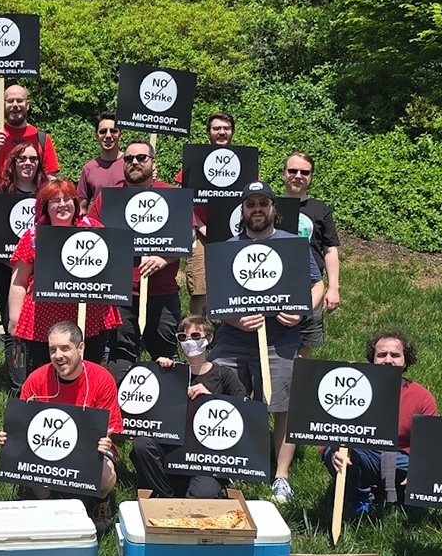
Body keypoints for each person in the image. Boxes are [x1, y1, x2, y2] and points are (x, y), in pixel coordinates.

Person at [208, 180, 324, 504]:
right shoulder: (228, 247)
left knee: (284, 404)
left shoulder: (292, 245)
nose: (257, 209)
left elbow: (318, 286)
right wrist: (235, 319)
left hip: (281, 337)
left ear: (274, 208)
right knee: (221, 393)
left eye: (263, 203)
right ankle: (230, 461)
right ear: (243, 210)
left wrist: (301, 313)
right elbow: (216, 301)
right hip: (233, 337)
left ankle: (281, 475)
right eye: (250, 204)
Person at [0, 321, 122, 530]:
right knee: (26, 462)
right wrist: (10, 439)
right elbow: (21, 425)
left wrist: (105, 442)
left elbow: (110, 428)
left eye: (65, 348)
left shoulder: (101, 378)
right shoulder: (36, 379)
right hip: (46, 451)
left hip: (90, 450)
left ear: (80, 348)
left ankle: (100, 502)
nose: (58, 356)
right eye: (52, 349)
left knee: (105, 475)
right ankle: (48, 504)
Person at [7, 179, 121, 391]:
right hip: (44, 318)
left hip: (89, 315)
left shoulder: (93, 229)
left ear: (75, 203)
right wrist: (15, 319)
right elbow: (19, 281)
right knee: (45, 376)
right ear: (44, 207)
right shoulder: (32, 237)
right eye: (55, 201)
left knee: (88, 372)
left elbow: (110, 267)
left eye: (67, 199)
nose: (62, 205)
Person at [90, 139, 181, 383]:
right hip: (120, 295)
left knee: (166, 358)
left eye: (141, 158)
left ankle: (168, 415)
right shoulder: (109, 198)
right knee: (120, 357)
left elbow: (189, 238)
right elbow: (91, 234)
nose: (134, 162)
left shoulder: (172, 195)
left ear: (153, 163)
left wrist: (164, 258)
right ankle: (118, 415)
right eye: (129, 159)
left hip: (161, 293)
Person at [132, 315, 247, 499]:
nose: (189, 341)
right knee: (141, 444)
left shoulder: (223, 374)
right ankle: (164, 497)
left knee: (205, 494)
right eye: (183, 338)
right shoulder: (173, 372)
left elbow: (244, 411)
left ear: (209, 338)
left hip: (206, 457)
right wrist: (160, 373)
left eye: (195, 336)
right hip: (173, 449)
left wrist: (211, 398)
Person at [322, 332, 437, 515]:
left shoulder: (421, 397)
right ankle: (361, 496)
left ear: (405, 361)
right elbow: (332, 429)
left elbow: (430, 444)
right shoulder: (353, 391)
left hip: (402, 459)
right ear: (373, 360)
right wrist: (336, 449)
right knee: (333, 453)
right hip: (365, 454)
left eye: (395, 355)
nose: (388, 360)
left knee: (432, 467)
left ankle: (405, 495)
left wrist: (420, 470)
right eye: (382, 355)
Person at [0, 141, 47, 346]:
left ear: (39, 163)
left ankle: (40, 366)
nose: (27, 163)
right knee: (12, 324)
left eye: (33, 158)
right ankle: (17, 372)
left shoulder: (48, 196)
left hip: (42, 270)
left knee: (40, 324)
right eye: (22, 158)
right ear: (14, 163)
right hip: (6, 270)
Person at [282, 152, 342, 359]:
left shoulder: (320, 209)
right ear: (283, 174)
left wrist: (333, 288)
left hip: (310, 286)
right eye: (292, 170)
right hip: (276, 285)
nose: (298, 175)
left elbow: (330, 249)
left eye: (304, 172)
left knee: (305, 347)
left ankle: (298, 387)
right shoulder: (269, 207)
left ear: (311, 177)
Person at [179, 111, 236, 318]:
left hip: (234, 234)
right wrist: (203, 228)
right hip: (201, 234)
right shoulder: (195, 162)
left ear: (232, 132)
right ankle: (198, 335)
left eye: (226, 128)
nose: (221, 132)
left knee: (236, 284)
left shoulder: (243, 162)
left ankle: (230, 332)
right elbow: (183, 201)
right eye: (216, 128)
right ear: (208, 133)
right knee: (199, 287)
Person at [0, 84, 60, 208]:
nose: (15, 104)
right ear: (3, 105)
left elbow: (50, 179)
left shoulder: (41, 138)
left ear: (27, 104)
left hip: (31, 207)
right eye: (10, 101)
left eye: (20, 100)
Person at [76, 112, 123, 206]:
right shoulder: (89, 169)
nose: (108, 135)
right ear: (97, 136)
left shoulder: (131, 163)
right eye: (103, 131)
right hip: (98, 220)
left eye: (113, 131)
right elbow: (82, 208)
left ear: (120, 135)